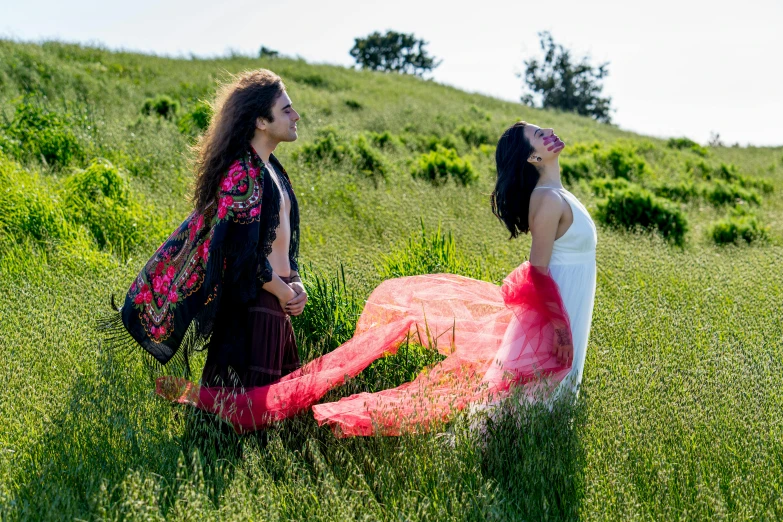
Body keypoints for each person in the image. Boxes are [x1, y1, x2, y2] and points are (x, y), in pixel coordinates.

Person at [108, 69, 308, 398]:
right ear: (261, 120)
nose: (295, 115)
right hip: (251, 312)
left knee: (274, 422)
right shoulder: (241, 173)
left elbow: (283, 244)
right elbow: (242, 256)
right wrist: (285, 293)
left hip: (276, 307)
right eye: (286, 109)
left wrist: (295, 282)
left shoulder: (273, 169)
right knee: (236, 423)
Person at [489, 121, 597, 395]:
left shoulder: (558, 194)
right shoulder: (548, 198)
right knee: (539, 394)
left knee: (554, 392)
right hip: (559, 305)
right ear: (533, 158)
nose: (550, 130)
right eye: (540, 134)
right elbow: (538, 270)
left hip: (572, 299)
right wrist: (560, 331)